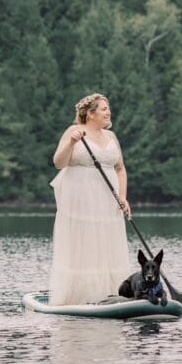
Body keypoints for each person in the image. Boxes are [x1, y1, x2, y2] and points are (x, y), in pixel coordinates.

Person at [48, 93, 133, 305]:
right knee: (83, 244)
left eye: (108, 109)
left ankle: (113, 294)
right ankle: (78, 297)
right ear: (91, 113)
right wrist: (71, 143)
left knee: (107, 243)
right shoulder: (74, 131)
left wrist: (123, 197)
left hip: (108, 200)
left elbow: (120, 169)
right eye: (104, 109)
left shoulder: (111, 137)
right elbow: (59, 163)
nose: (108, 112)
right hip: (80, 199)